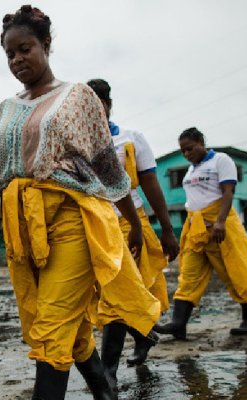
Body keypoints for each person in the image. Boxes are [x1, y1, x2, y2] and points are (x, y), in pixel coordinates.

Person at [0, 6, 160, 400]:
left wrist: (132, 225)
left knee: (50, 328)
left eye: (24, 49)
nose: (16, 60)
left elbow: (108, 167)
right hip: (22, 230)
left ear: (46, 44)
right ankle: (105, 395)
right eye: (9, 54)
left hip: (70, 224)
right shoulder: (4, 110)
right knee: (67, 327)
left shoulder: (77, 96)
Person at [87, 78, 179, 366]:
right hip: (94, 225)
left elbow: (150, 183)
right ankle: (143, 336)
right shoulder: (76, 142)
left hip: (130, 223)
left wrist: (166, 229)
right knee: (106, 293)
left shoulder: (130, 138)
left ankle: (109, 371)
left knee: (120, 291)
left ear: (109, 105)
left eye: (98, 104)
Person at [155, 127, 247, 340]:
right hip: (196, 229)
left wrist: (220, 222)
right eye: (183, 151)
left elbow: (228, 192)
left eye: (190, 149)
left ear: (201, 142)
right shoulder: (191, 170)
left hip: (220, 227)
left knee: (235, 270)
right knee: (189, 274)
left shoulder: (221, 160)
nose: (187, 154)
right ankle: (178, 324)